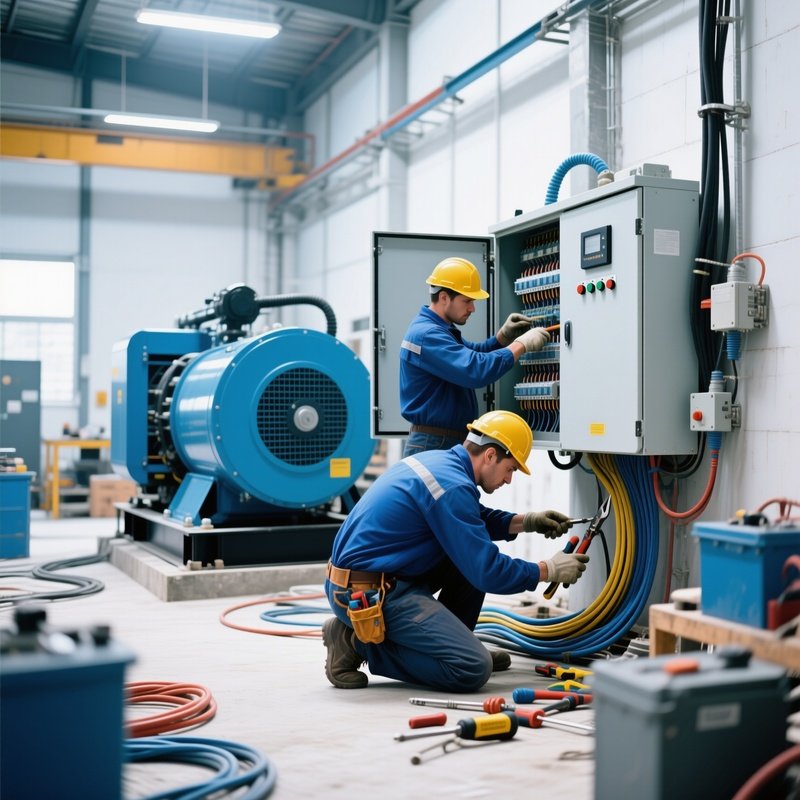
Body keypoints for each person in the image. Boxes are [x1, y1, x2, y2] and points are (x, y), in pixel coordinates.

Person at [322, 410, 589, 693]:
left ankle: (457, 645)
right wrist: (548, 570)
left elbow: (472, 519)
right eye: (510, 468)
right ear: (489, 455)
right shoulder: (451, 486)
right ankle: (356, 643)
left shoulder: (440, 463)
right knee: (472, 668)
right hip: (368, 593)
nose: (509, 479)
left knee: (467, 562)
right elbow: (488, 571)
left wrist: (527, 521)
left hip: (374, 578)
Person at [400, 256, 550, 456]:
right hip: (433, 444)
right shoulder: (427, 334)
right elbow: (474, 369)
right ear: (444, 297)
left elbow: (473, 353)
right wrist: (521, 345)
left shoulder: (437, 330)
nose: (472, 308)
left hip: (441, 440)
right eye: (467, 301)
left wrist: (502, 337)